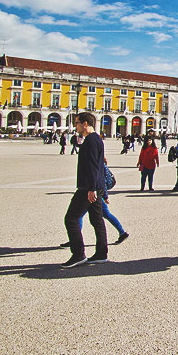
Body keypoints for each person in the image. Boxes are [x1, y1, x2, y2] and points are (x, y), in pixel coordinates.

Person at [61, 112, 108, 268]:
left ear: (85, 123)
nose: (76, 126)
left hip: (88, 187)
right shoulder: (96, 139)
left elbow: (94, 166)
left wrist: (92, 188)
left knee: (71, 218)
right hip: (96, 186)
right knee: (96, 219)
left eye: (77, 123)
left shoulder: (91, 141)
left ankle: (78, 254)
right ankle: (101, 254)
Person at [61, 157, 129, 247]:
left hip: (95, 193)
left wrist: (105, 196)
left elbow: (102, 182)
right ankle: (122, 232)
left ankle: (74, 240)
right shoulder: (99, 161)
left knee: (80, 215)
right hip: (96, 193)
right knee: (106, 214)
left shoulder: (97, 163)